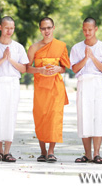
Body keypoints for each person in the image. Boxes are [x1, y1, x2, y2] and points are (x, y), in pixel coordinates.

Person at [0, 16, 28, 162]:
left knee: (11, 115)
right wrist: (3, 59)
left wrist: (10, 59)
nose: (9, 31)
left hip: (12, 83)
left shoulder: (18, 47)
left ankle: (7, 151)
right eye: (7, 28)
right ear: (0, 27)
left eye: (12, 28)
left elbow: (24, 68)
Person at [27, 17, 70, 162]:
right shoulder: (34, 47)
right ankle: (43, 150)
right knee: (41, 117)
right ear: (40, 29)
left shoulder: (60, 46)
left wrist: (59, 68)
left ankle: (51, 151)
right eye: (43, 28)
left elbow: (64, 68)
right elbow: (27, 68)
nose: (46, 31)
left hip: (55, 88)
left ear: (53, 28)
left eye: (49, 28)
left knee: (54, 117)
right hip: (40, 88)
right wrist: (39, 69)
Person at [70, 18, 102, 164]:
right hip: (83, 84)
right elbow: (74, 68)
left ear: (96, 29)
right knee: (84, 117)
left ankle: (97, 153)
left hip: (97, 84)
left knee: (98, 117)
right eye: (85, 30)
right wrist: (85, 57)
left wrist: (92, 57)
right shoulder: (76, 48)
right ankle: (87, 154)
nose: (87, 32)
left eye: (90, 29)